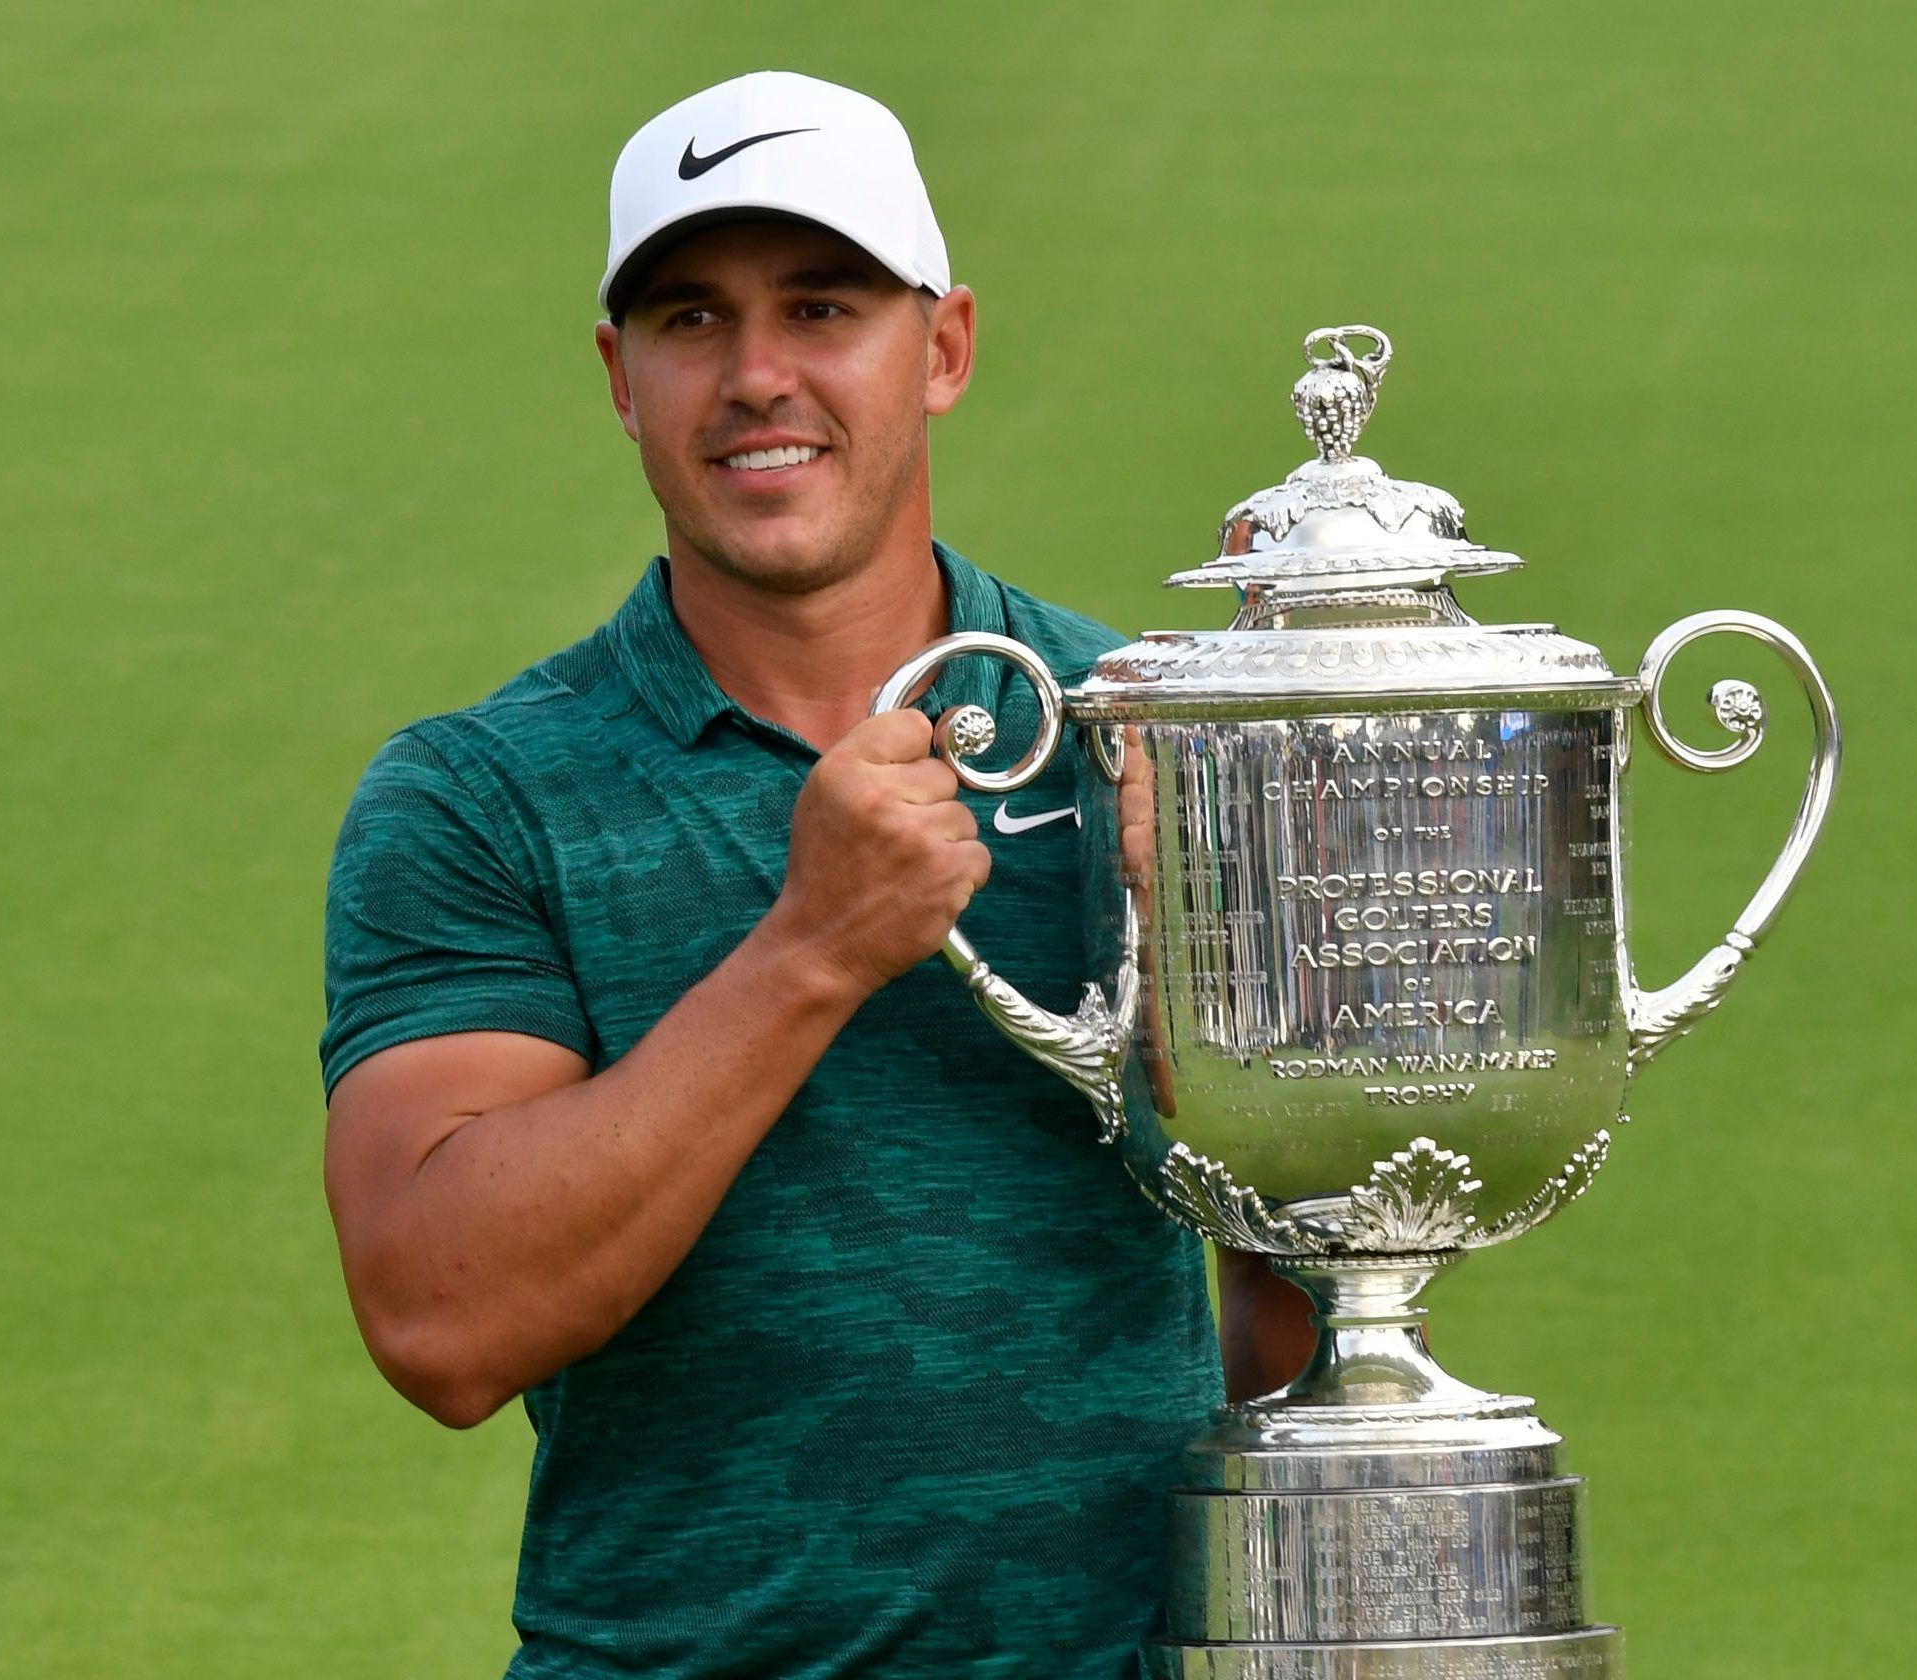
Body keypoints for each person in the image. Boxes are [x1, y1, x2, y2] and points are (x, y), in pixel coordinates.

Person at [317, 71, 1313, 1680]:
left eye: (822, 306)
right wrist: (813, 949)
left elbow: (1309, 1280)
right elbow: (443, 1322)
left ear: (945, 349)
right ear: (621, 379)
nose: (756, 375)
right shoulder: (480, 798)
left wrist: (1239, 1002)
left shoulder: (1146, 737)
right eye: (692, 319)